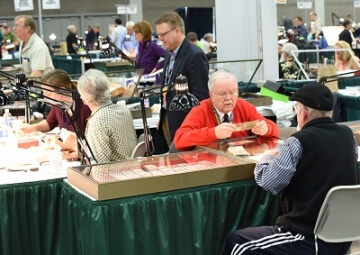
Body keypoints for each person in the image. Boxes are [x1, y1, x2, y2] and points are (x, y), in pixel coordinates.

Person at [224, 82, 358, 255]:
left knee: (237, 242)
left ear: (303, 112)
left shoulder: (298, 141)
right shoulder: (347, 135)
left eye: (296, 109)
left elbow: (270, 183)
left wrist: (265, 159)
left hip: (308, 237)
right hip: (343, 238)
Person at [173, 70, 279, 150]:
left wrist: (266, 129)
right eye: (222, 94)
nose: (228, 98)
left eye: (233, 92)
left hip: (241, 161)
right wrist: (213, 133)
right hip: (211, 164)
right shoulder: (200, 109)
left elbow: (274, 130)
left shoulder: (244, 106)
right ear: (211, 95)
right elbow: (180, 139)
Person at [155, 12, 209, 146]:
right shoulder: (169, 53)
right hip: (168, 119)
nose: (160, 39)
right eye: (159, 35)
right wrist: (163, 116)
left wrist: (189, 125)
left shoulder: (195, 55)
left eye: (163, 34)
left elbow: (200, 97)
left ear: (177, 31)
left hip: (185, 123)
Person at [77, 69, 137, 163]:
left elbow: (99, 165)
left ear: (85, 98)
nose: (80, 97)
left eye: (81, 94)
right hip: (131, 169)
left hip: (114, 174)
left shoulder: (98, 121)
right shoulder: (124, 110)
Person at [21, 69, 91, 134]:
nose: (45, 97)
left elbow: (91, 141)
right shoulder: (58, 104)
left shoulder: (85, 107)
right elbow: (49, 123)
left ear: (62, 90)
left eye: (48, 93)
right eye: (44, 92)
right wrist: (33, 128)